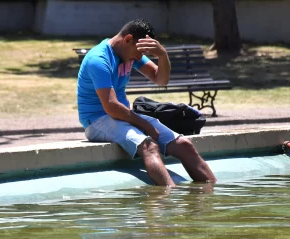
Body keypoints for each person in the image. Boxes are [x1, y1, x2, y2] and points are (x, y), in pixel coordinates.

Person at [77, 19, 216, 186]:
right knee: (149, 146)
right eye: (139, 51)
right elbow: (111, 106)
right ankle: (169, 200)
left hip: (122, 117)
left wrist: (162, 55)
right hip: (97, 121)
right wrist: (146, 125)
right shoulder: (98, 59)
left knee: (184, 145)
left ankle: (213, 195)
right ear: (127, 39)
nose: (140, 57)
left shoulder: (130, 52)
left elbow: (161, 79)